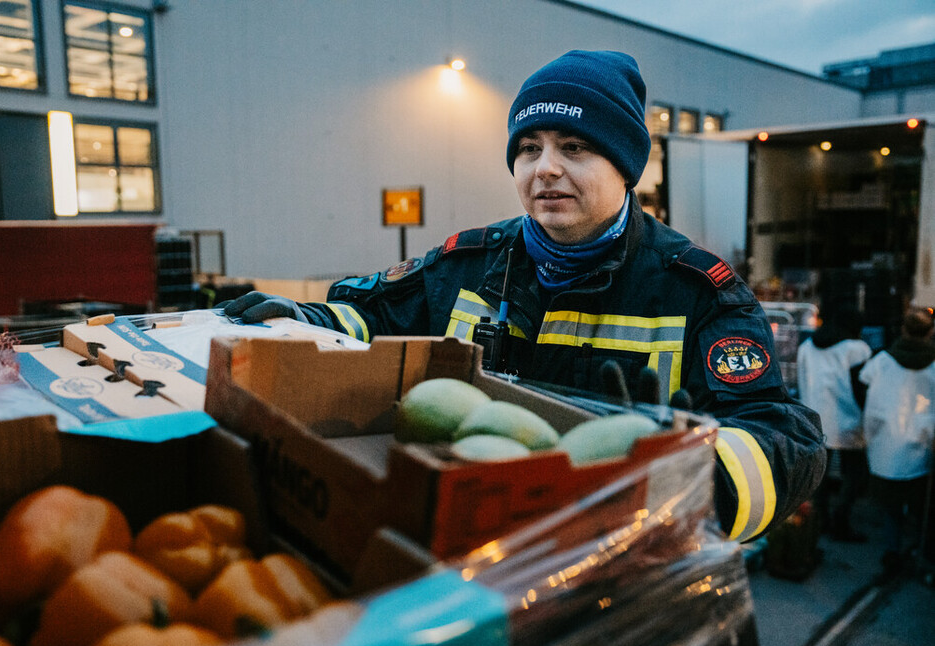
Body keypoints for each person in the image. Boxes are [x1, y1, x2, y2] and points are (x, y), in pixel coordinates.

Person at [221, 49, 825, 542]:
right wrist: (307, 319)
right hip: (470, 542)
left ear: (625, 166)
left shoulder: (695, 291)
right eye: (529, 147)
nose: (545, 168)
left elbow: (785, 435)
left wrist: (690, 486)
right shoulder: (468, 265)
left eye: (575, 147)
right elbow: (373, 314)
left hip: (614, 559)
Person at [859, 306, 935, 573]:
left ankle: (892, 551)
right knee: (920, 506)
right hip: (923, 445)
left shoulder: (883, 360)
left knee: (891, 507)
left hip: (887, 444)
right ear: (931, 332)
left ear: (903, 329)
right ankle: (923, 551)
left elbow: (863, 377)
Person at [796, 307, 872, 541]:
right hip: (848, 420)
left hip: (815, 420)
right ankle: (841, 521)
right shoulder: (858, 349)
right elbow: (862, 388)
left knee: (820, 475)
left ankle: (820, 521)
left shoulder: (806, 347)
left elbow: (801, 382)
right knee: (853, 475)